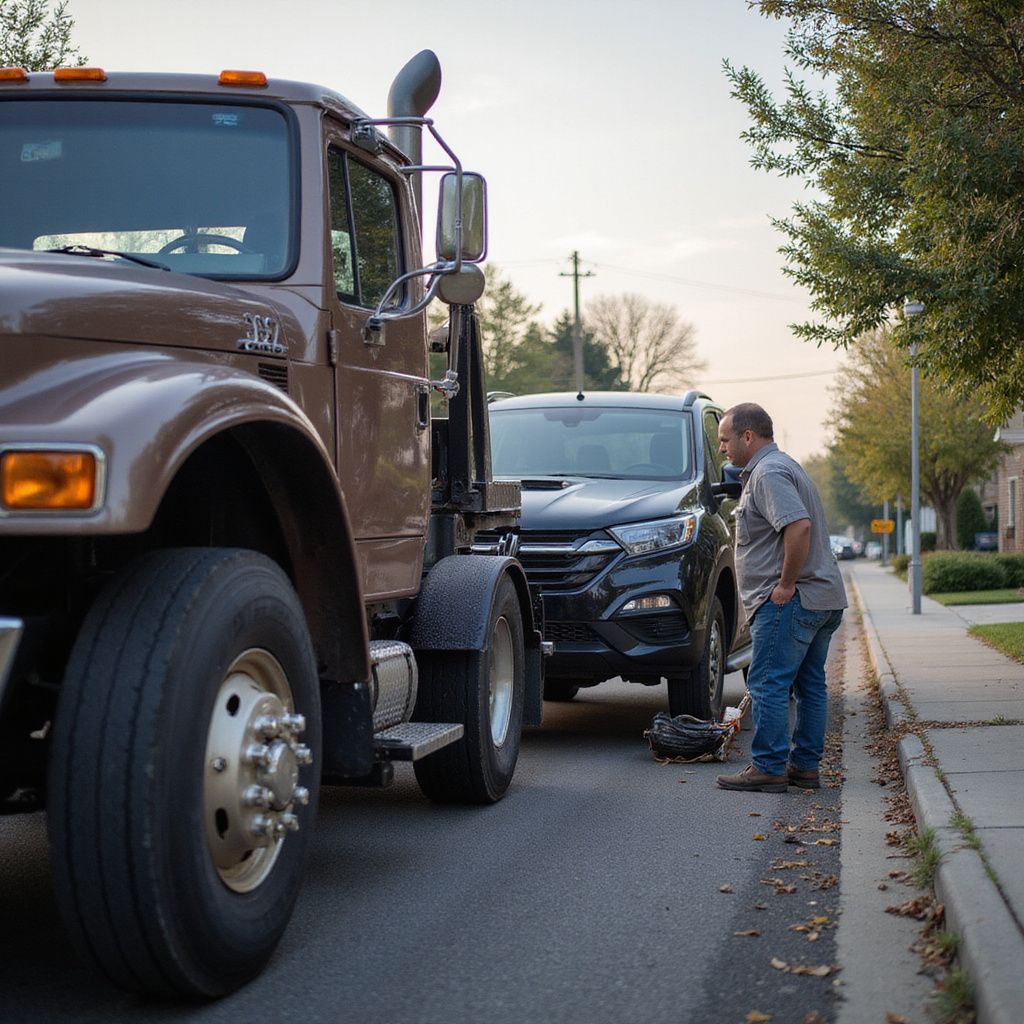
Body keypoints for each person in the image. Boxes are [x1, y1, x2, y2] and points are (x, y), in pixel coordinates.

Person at [715, 403, 847, 793]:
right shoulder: (786, 466)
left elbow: (798, 527)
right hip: (823, 597)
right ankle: (805, 768)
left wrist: (786, 585)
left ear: (748, 436)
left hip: (795, 600)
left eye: (725, 440)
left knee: (769, 684)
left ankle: (769, 767)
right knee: (810, 686)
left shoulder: (768, 473)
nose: (722, 448)